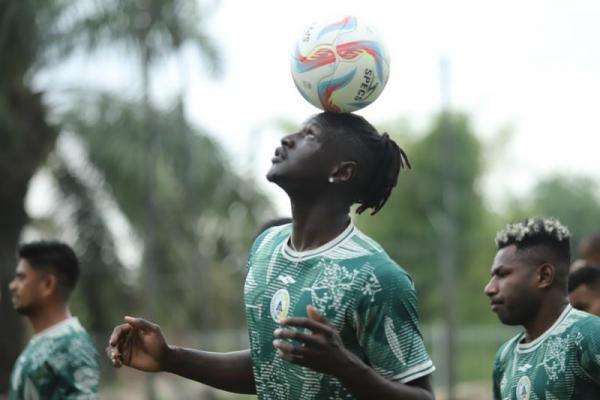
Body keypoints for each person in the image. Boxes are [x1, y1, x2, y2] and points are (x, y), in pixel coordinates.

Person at [108, 112, 435, 400]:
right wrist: (171, 359)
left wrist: (345, 366)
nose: (287, 139)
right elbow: (269, 368)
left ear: (342, 172)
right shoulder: (266, 248)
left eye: (309, 136)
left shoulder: (378, 277)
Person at [484, 217, 600, 400]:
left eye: (502, 274)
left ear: (544, 276)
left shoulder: (590, 335)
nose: (489, 288)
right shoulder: (504, 357)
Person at [8, 240, 99, 399]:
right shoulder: (44, 342)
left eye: (21, 278)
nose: (12, 286)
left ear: (47, 285)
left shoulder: (72, 347)